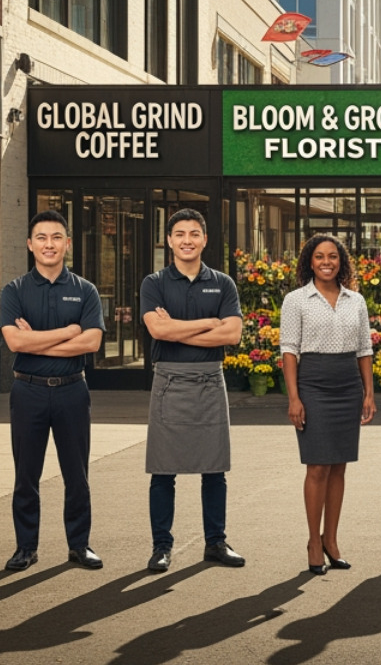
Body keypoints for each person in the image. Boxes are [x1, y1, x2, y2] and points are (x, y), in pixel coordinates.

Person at [139, 208, 245, 573]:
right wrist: (206, 323)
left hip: (210, 381)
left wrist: (178, 327)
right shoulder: (153, 283)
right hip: (168, 381)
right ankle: (161, 547)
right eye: (180, 233)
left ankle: (216, 543)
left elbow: (231, 334)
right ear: (169, 240)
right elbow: (158, 331)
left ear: (204, 239)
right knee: (163, 471)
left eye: (194, 233)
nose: (187, 240)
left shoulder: (223, 283)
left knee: (214, 469)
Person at [0, 209, 105, 572]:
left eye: (56, 237)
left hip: (72, 392)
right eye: (41, 238)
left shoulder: (85, 290)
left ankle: (80, 545)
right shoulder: (14, 290)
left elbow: (91, 342)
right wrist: (68, 331)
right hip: (27, 392)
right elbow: (14, 342)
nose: (49, 244)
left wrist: (36, 341)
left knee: (77, 474)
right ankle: (25, 547)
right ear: (30, 244)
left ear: (67, 244)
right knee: (26, 474)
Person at [279, 233, 377, 575]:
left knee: (339, 466)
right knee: (317, 466)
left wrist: (368, 393)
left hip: (348, 385)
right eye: (319, 256)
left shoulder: (356, 301)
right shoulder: (296, 300)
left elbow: (364, 350)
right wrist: (294, 398)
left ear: (341, 261)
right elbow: (289, 351)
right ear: (309, 261)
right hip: (313, 386)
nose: (326, 262)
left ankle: (331, 539)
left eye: (332, 256)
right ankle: (312, 541)